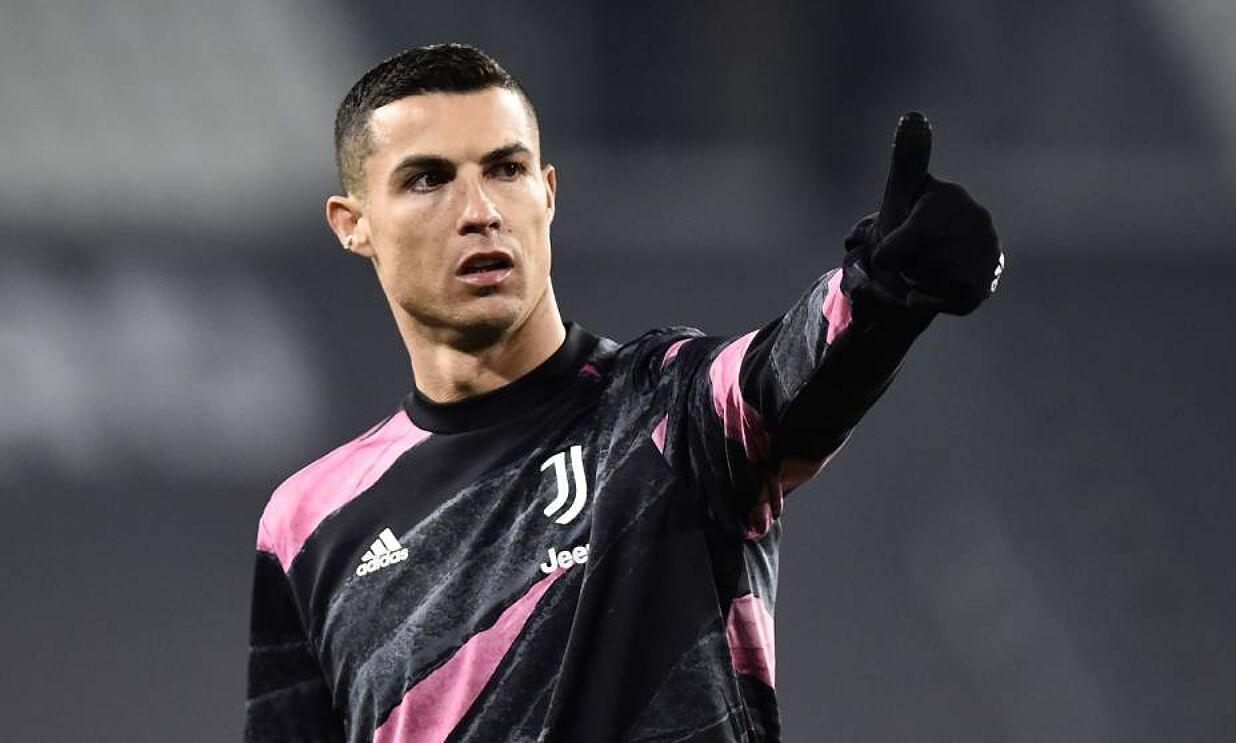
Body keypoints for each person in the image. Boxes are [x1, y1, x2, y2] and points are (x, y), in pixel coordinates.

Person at [244, 43, 1003, 743]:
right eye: (428, 179)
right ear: (353, 224)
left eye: (506, 169)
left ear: (547, 194)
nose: (480, 211)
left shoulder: (664, 409)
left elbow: (784, 375)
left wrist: (880, 293)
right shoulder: (306, 524)